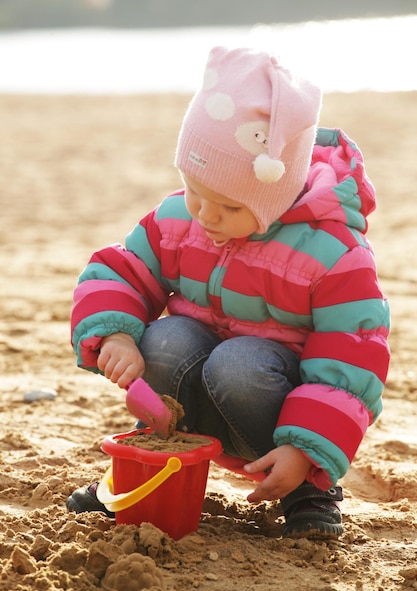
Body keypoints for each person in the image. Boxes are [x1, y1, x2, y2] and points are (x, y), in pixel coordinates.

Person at [67, 46, 390, 539]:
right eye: (195, 189)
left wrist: (307, 450)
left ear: (275, 194)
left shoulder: (332, 253)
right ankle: (156, 456)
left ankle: (308, 488)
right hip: (191, 400)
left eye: (230, 206)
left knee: (237, 361)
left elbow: (351, 359)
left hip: (274, 411)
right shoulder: (181, 219)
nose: (206, 215)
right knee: (167, 338)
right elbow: (120, 271)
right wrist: (114, 333)